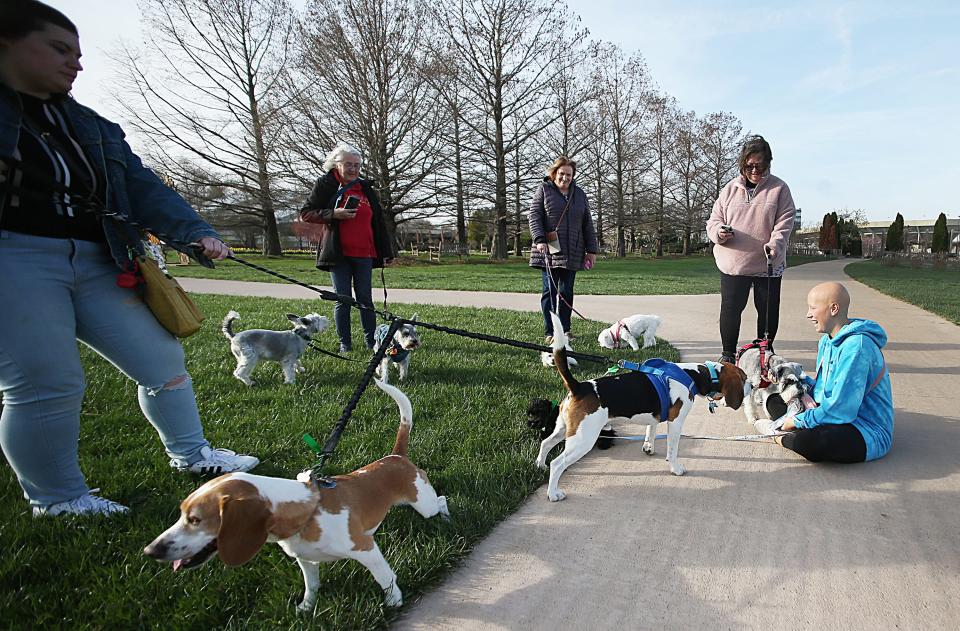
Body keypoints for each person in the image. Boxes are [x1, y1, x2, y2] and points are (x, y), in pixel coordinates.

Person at [0, 1, 259, 518]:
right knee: (47, 382)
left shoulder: (92, 126)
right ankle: (57, 499)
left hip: (101, 256)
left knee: (162, 362)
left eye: (78, 53)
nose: (75, 63)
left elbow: (143, 188)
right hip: (16, 258)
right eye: (58, 48)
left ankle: (192, 455)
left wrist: (196, 233)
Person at [760, 282, 893, 463]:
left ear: (834, 308)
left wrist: (796, 421)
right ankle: (791, 429)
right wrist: (795, 378)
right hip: (830, 413)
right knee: (774, 399)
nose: (808, 314)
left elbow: (843, 410)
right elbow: (823, 390)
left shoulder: (857, 348)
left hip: (864, 428)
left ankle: (779, 435)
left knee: (811, 443)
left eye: (813, 308)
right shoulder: (826, 341)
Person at [706, 135, 796, 363]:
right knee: (730, 310)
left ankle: (763, 354)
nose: (755, 170)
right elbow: (714, 220)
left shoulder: (779, 189)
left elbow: (785, 221)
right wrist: (719, 233)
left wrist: (776, 243)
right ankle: (727, 355)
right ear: (742, 164)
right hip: (733, 264)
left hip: (767, 263)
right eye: (749, 165)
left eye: (760, 165)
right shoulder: (729, 189)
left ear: (768, 162)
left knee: (767, 313)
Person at [300, 142, 394, 353]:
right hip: (338, 253)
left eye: (357, 165)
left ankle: (372, 342)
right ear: (336, 164)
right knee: (343, 299)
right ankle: (346, 343)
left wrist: (386, 252)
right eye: (349, 164)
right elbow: (307, 213)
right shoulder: (326, 184)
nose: (353, 169)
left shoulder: (365, 187)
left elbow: (378, 222)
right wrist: (334, 214)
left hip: (365, 253)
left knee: (365, 299)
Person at [528, 156, 598, 343]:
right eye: (561, 174)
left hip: (573, 251)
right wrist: (539, 239)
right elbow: (534, 216)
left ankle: (565, 330)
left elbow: (587, 224)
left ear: (573, 176)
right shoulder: (543, 190)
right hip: (548, 249)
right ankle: (550, 332)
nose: (565, 178)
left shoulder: (580, 195)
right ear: (554, 173)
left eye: (568, 174)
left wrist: (591, 250)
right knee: (549, 292)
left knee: (567, 292)